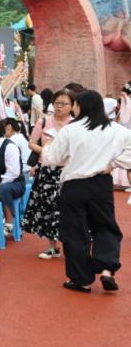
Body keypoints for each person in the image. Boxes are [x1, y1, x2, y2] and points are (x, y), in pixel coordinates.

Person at [42, 91, 131, 293]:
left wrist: (47, 146)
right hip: (101, 184)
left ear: (80, 106)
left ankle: (81, 280)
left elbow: (52, 158)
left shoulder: (70, 129)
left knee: (74, 232)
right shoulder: (116, 129)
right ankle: (107, 269)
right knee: (105, 226)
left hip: (74, 185)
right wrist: (113, 164)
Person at [24, 89, 75, 259]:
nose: (59, 106)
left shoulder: (75, 124)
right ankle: (52, 246)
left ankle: (70, 246)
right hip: (47, 169)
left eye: (64, 103)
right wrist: (47, 150)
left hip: (67, 170)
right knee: (47, 208)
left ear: (72, 106)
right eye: (57, 103)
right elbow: (32, 143)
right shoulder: (44, 121)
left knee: (67, 208)